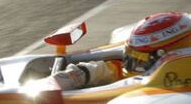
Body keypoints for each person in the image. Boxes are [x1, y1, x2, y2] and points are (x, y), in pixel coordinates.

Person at [53, 12, 191, 90]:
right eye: (133, 57)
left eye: (141, 59)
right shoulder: (131, 68)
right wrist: (75, 74)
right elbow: (109, 69)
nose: (134, 63)